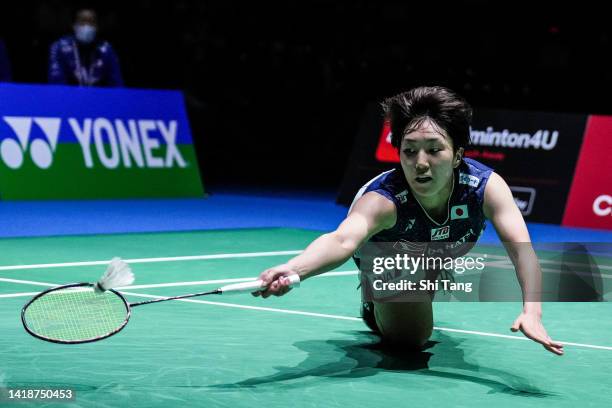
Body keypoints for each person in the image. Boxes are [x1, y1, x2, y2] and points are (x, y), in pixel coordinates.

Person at [253, 86, 564, 356]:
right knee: (411, 340)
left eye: (434, 150)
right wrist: (295, 269)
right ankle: (377, 301)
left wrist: (532, 312)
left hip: (436, 248)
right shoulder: (384, 201)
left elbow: (522, 251)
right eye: (410, 151)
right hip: (386, 250)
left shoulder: (485, 187)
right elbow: (341, 240)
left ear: (457, 156)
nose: (421, 163)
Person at [48, 8, 123, 87]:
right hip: (68, 97)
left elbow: (117, 85)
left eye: (91, 22)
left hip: (99, 97)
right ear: (74, 25)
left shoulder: (107, 50)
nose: (86, 26)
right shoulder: (59, 47)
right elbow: (56, 84)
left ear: (97, 27)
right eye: (82, 21)